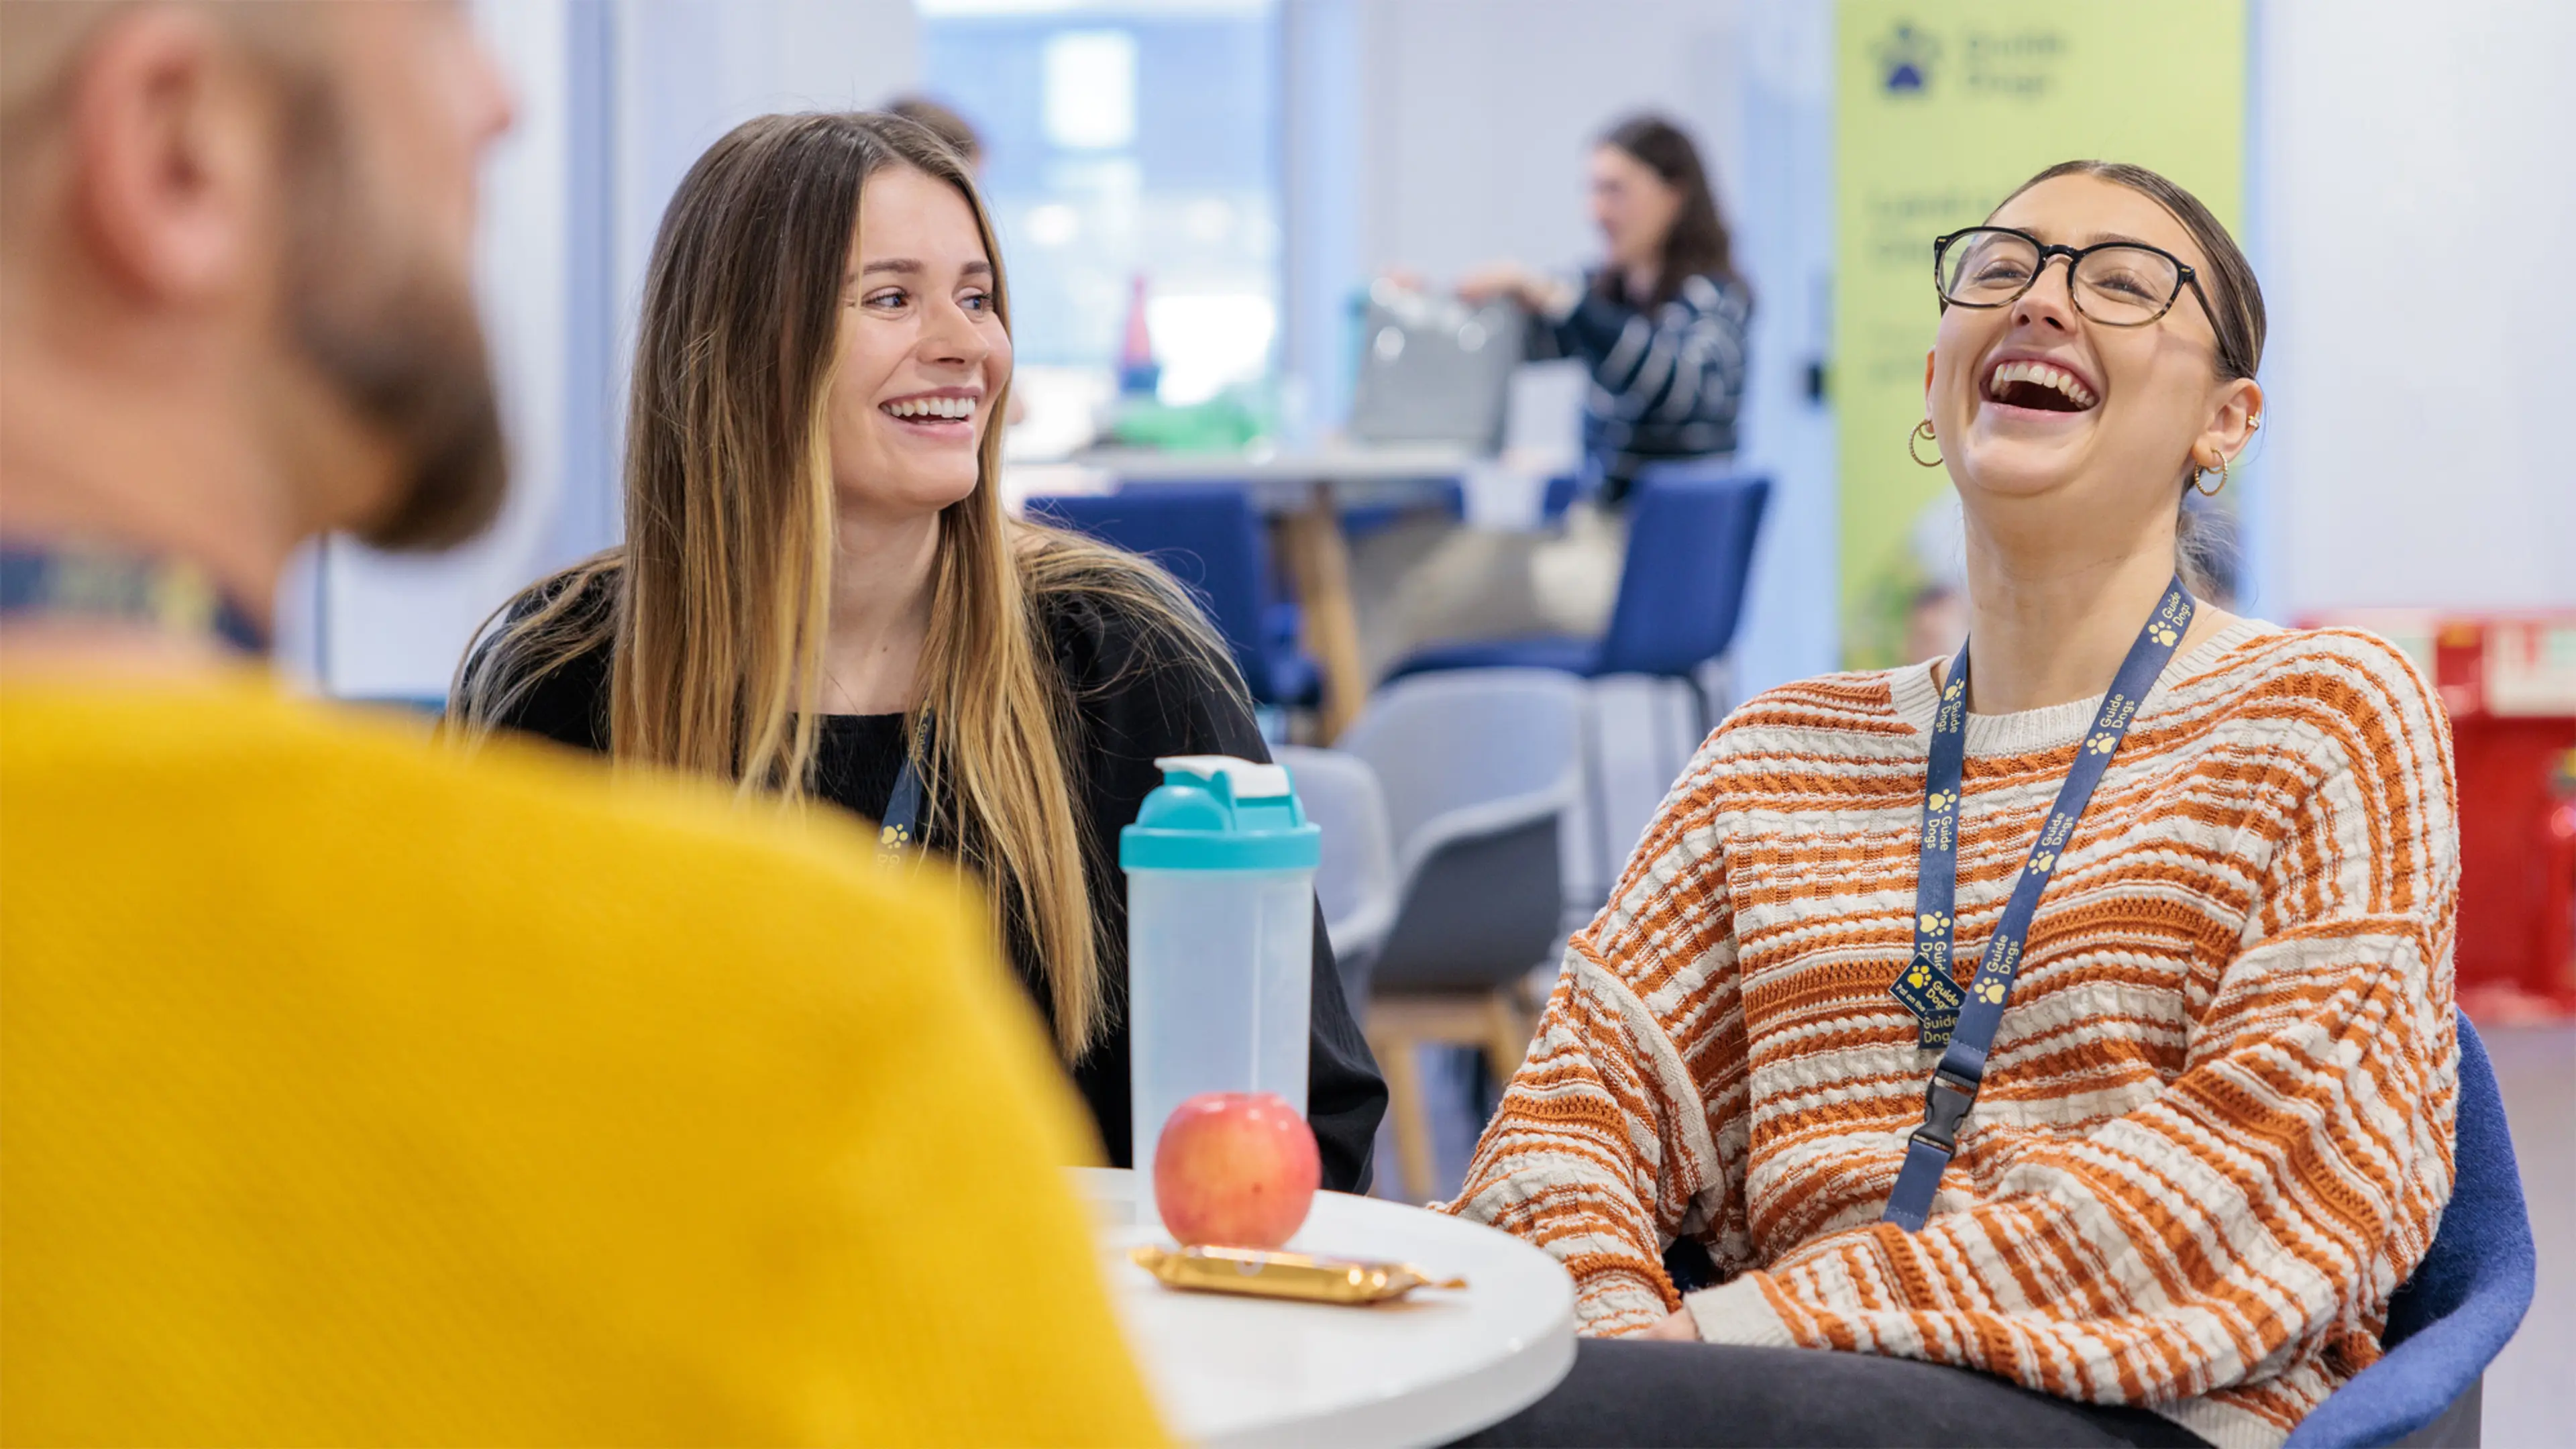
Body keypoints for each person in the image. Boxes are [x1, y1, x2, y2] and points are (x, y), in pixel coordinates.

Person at [0, 5, 1163, 1442]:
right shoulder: (832, 1017)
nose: (500, 103)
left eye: (978, 295)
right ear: (176, 152)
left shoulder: (1113, 664)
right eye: (433, 31)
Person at [1448, 160, 2457, 1449]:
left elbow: (2277, 1186)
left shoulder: (2324, 713)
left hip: (2137, 1405)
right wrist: (1613, 1350)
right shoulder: (1774, 759)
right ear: (1937, 380)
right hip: (1743, 1405)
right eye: (2000, 268)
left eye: (2124, 284)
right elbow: (1560, 1131)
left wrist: (1730, 1337)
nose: (2041, 300)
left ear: (2228, 421)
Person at [449, 111, 1385, 1187]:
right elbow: (464, 1121)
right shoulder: (557, 680)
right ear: (744, 346)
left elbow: (1309, 1126)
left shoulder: (1126, 664)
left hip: (1071, 1336)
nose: (968, 346)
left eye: (978, 298)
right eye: (892, 299)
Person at [1459, 113, 1752, 506]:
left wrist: (1562, 302)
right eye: (1593, 191)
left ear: (1674, 195)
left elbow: (1679, 387)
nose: (1595, 211)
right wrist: (1430, 310)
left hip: (1662, 536)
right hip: (1600, 527)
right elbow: (1504, 344)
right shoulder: (1603, 293)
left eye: (1614, 191)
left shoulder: (1713, 299)